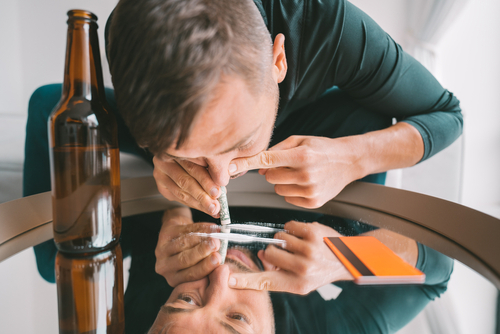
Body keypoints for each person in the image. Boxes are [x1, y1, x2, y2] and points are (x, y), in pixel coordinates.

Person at [143, 207, 453, 334]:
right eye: (237, 318)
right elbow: (438, 266)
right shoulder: (320, 329)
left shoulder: (131, 311)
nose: (221, 275)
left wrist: (173, 210)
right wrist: (343, 257)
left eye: (185, 300)